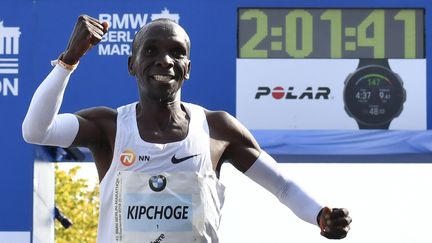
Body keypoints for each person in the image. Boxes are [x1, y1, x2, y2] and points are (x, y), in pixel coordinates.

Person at [22, 15, 351, 243]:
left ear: (187, 69)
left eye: (176, 53)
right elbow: (37, 131)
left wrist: (319, 214)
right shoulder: (108, 127)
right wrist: (69, 61)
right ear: (132, 65)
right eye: (151, 51)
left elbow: (283, 187)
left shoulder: (217, 129)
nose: (165, 60)